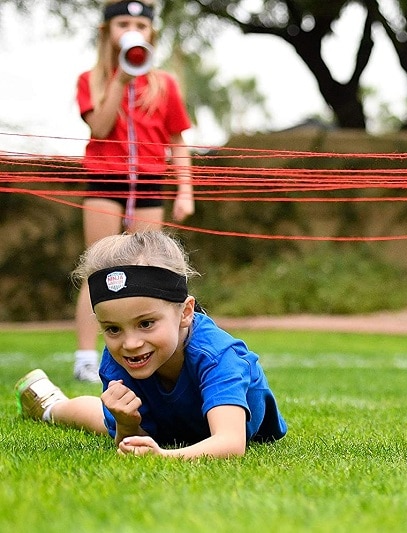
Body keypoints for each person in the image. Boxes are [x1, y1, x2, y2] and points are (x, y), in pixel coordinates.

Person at [15, 231, 287, 459]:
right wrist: (126, 423)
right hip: (167, 426)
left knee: (99, 418)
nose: (130, 343)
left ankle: (52, 402)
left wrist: (164, 456)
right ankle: (51, 406)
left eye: (146, 323)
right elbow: (135, 441)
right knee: (100, 418)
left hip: (215, 426)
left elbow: (230, 442)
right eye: (113, 328)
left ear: (185, 313)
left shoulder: (217, 354)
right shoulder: (117, 358)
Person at [73, 0, 195, 382]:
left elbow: (178, 143)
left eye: (141, 24)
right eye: (123, 22)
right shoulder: (89, 80)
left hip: (148, 182)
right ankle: (84, 358)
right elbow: (100, 127)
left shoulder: (165, 83)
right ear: (107, 31)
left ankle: (165, 350)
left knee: (152, 267)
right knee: (98, 265)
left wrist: (185, 191)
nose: (133, 30)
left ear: (151, 32)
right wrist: (120, 81)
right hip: (105, 181)